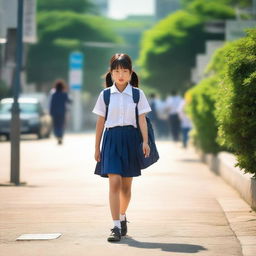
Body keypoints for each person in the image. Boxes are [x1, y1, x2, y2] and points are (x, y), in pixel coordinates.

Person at [92, 53, 151, 242]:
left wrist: (145, 141)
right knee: (114, 183)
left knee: (126, 188)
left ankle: (123, 216)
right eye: (116, 71)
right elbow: (100, 122)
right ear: (110, 73)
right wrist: (96, 148)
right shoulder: (106, 95)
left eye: (124, 71)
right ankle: (116, 226)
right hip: (111, 139)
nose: (120, 75)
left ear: (131, 73)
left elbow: (141, 119)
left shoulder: (137, 94)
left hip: (131, 140)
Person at [49, 79, 71, 145]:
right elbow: (70, 101)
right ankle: (60, 136)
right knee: (61, 125)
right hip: (62, 112)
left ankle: (57, 135)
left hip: (54, 113)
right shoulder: (64, 94)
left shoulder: (53, 95)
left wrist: (50, 112)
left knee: (56, 125)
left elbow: (51, 104)